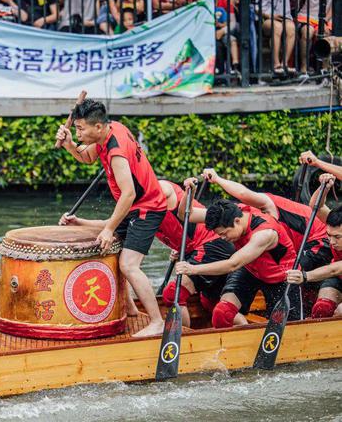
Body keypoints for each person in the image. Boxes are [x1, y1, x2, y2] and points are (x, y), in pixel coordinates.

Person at [56, 99, 167, 337]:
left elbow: (129, 194)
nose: (78, 133)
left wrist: (108, 229)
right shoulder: (108, 130)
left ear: (97, 127)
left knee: (129, 264)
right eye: (76, 128)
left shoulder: (116, 150)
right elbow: (86, 157)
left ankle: (157, 322)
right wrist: (69, 145)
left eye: (81, 129)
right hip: (133, 206)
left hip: (147, 206)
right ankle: (129, 309)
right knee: (114, 253)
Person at [201, 168, 332, 314]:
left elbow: (243, 193)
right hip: (294, 243)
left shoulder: (266, 207)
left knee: (293, 273)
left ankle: (304, 309)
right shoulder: (240, 212)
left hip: (318, 239)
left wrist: (218, 179)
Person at [175, 182, 300, 328]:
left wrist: (193, 269)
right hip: (250, 270)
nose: (222, 238)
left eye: (224, 234)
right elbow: (185, 215)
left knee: (288, 328)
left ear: (237, 221)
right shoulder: (228, 213)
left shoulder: (264, 233)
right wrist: (190, 192)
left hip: (280, 278)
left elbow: (232, 264)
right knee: (222, 313)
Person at [155, 180, 236, 326]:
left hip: (214, 244)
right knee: (212, 304)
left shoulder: (161, 190)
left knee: (173, 294)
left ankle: (182, 341)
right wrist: (180, 249)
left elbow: (164, 191)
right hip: (202, 248)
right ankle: (244, 328)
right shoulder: (143, 209)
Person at [286, 175, 341, 317]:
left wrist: (305, 276)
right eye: (329, 235)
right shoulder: (336, 220)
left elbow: (335, 269)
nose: (332, 242)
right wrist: (325, 187)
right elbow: (316, 206)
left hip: (337, 271)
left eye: (337, 237)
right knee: (322, 308)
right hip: (339, 278)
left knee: (340, 312)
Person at [261, 0, 295, 75]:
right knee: (277, 27)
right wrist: (270, 16)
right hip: (267, 17)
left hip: (285, 16)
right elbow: (256, 7)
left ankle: (285, 63)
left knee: (291, 28)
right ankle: (276, 64)